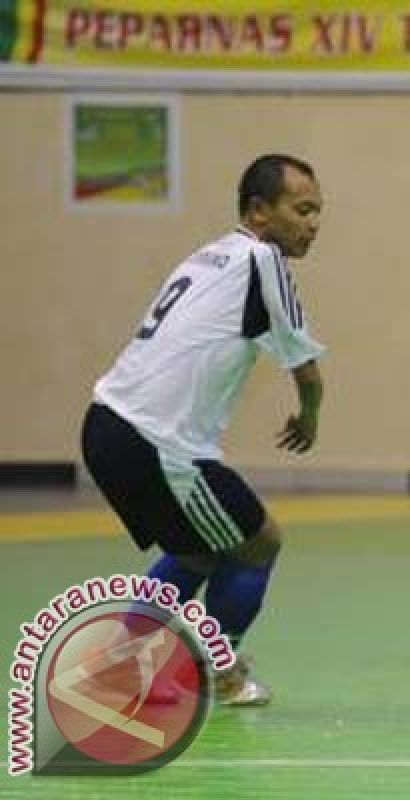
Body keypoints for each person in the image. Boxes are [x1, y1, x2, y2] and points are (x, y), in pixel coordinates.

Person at [81, 154, 326, 706]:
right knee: (259, 542)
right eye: (302, 209)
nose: (313, 223)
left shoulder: (209, 255)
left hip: (106, 426)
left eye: (318, 212)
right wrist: (310, 416)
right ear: (259, 212)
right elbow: (305, 370)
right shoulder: (264, 260)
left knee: (197, 551)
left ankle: (119, 666)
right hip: (156, 441)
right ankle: (224, 669)